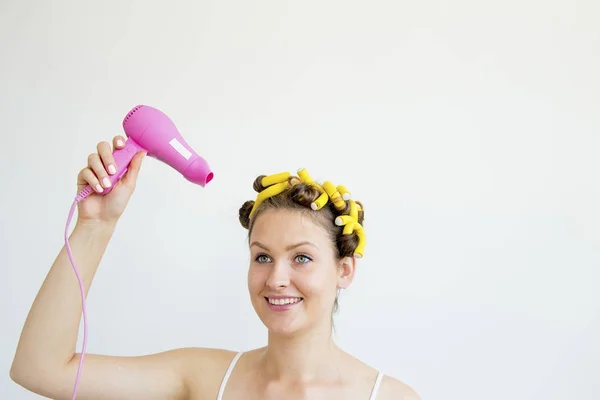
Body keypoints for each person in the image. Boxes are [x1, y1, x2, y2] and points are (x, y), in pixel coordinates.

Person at [10, 135, 420, 400]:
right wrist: (95, 226)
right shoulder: (203, 378)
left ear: (345, 270)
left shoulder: (391, 397)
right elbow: (39, 369)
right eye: (262, 256)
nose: (276, 278)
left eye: (301, 257)